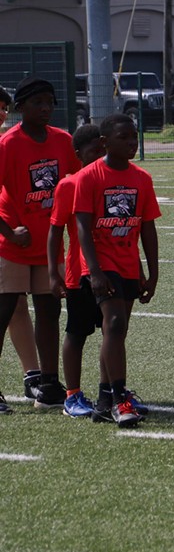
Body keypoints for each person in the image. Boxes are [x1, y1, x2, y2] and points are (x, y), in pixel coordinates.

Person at [73, 113, 160, 428]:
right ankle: (120, 398)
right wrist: (93, 271)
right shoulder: (89, 177)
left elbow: (146, 228)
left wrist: (152, 272)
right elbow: (82, 227)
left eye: (134, 137)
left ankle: (104, 399)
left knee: (116, 331)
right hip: (101, 264)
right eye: (124, 137)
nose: (131, 143)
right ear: (104, 142)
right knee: (113, 323)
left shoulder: (141, 179)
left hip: (127, 263)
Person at [0, 77, 80, 411]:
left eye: (50, 102)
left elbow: (75, 185)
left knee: (50, 310)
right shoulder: (7, 144)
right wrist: (8, 231)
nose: (46, 108)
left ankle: (48, 384)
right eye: (38, 103)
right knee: (3, 313)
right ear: (21, 108)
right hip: (12, 246)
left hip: (48, 246)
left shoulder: (62, 141)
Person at [47, 123, 115, 418]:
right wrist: (54, 273)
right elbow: (54, 231)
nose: (100, 156)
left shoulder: (112, 180)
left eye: (103, 150)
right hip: (79, 275)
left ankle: (110, 391)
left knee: (111, 332)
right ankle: (72, 395)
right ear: (78, 154)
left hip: (112, 270)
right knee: (76, 333)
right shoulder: (69, 184)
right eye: (93, 152)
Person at [0, 85, 42, 413]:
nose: (1, 113)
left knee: (15, 306)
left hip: (14, 237)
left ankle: (33, 375)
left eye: (3, 107)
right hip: (8, 236)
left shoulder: (10, 142)